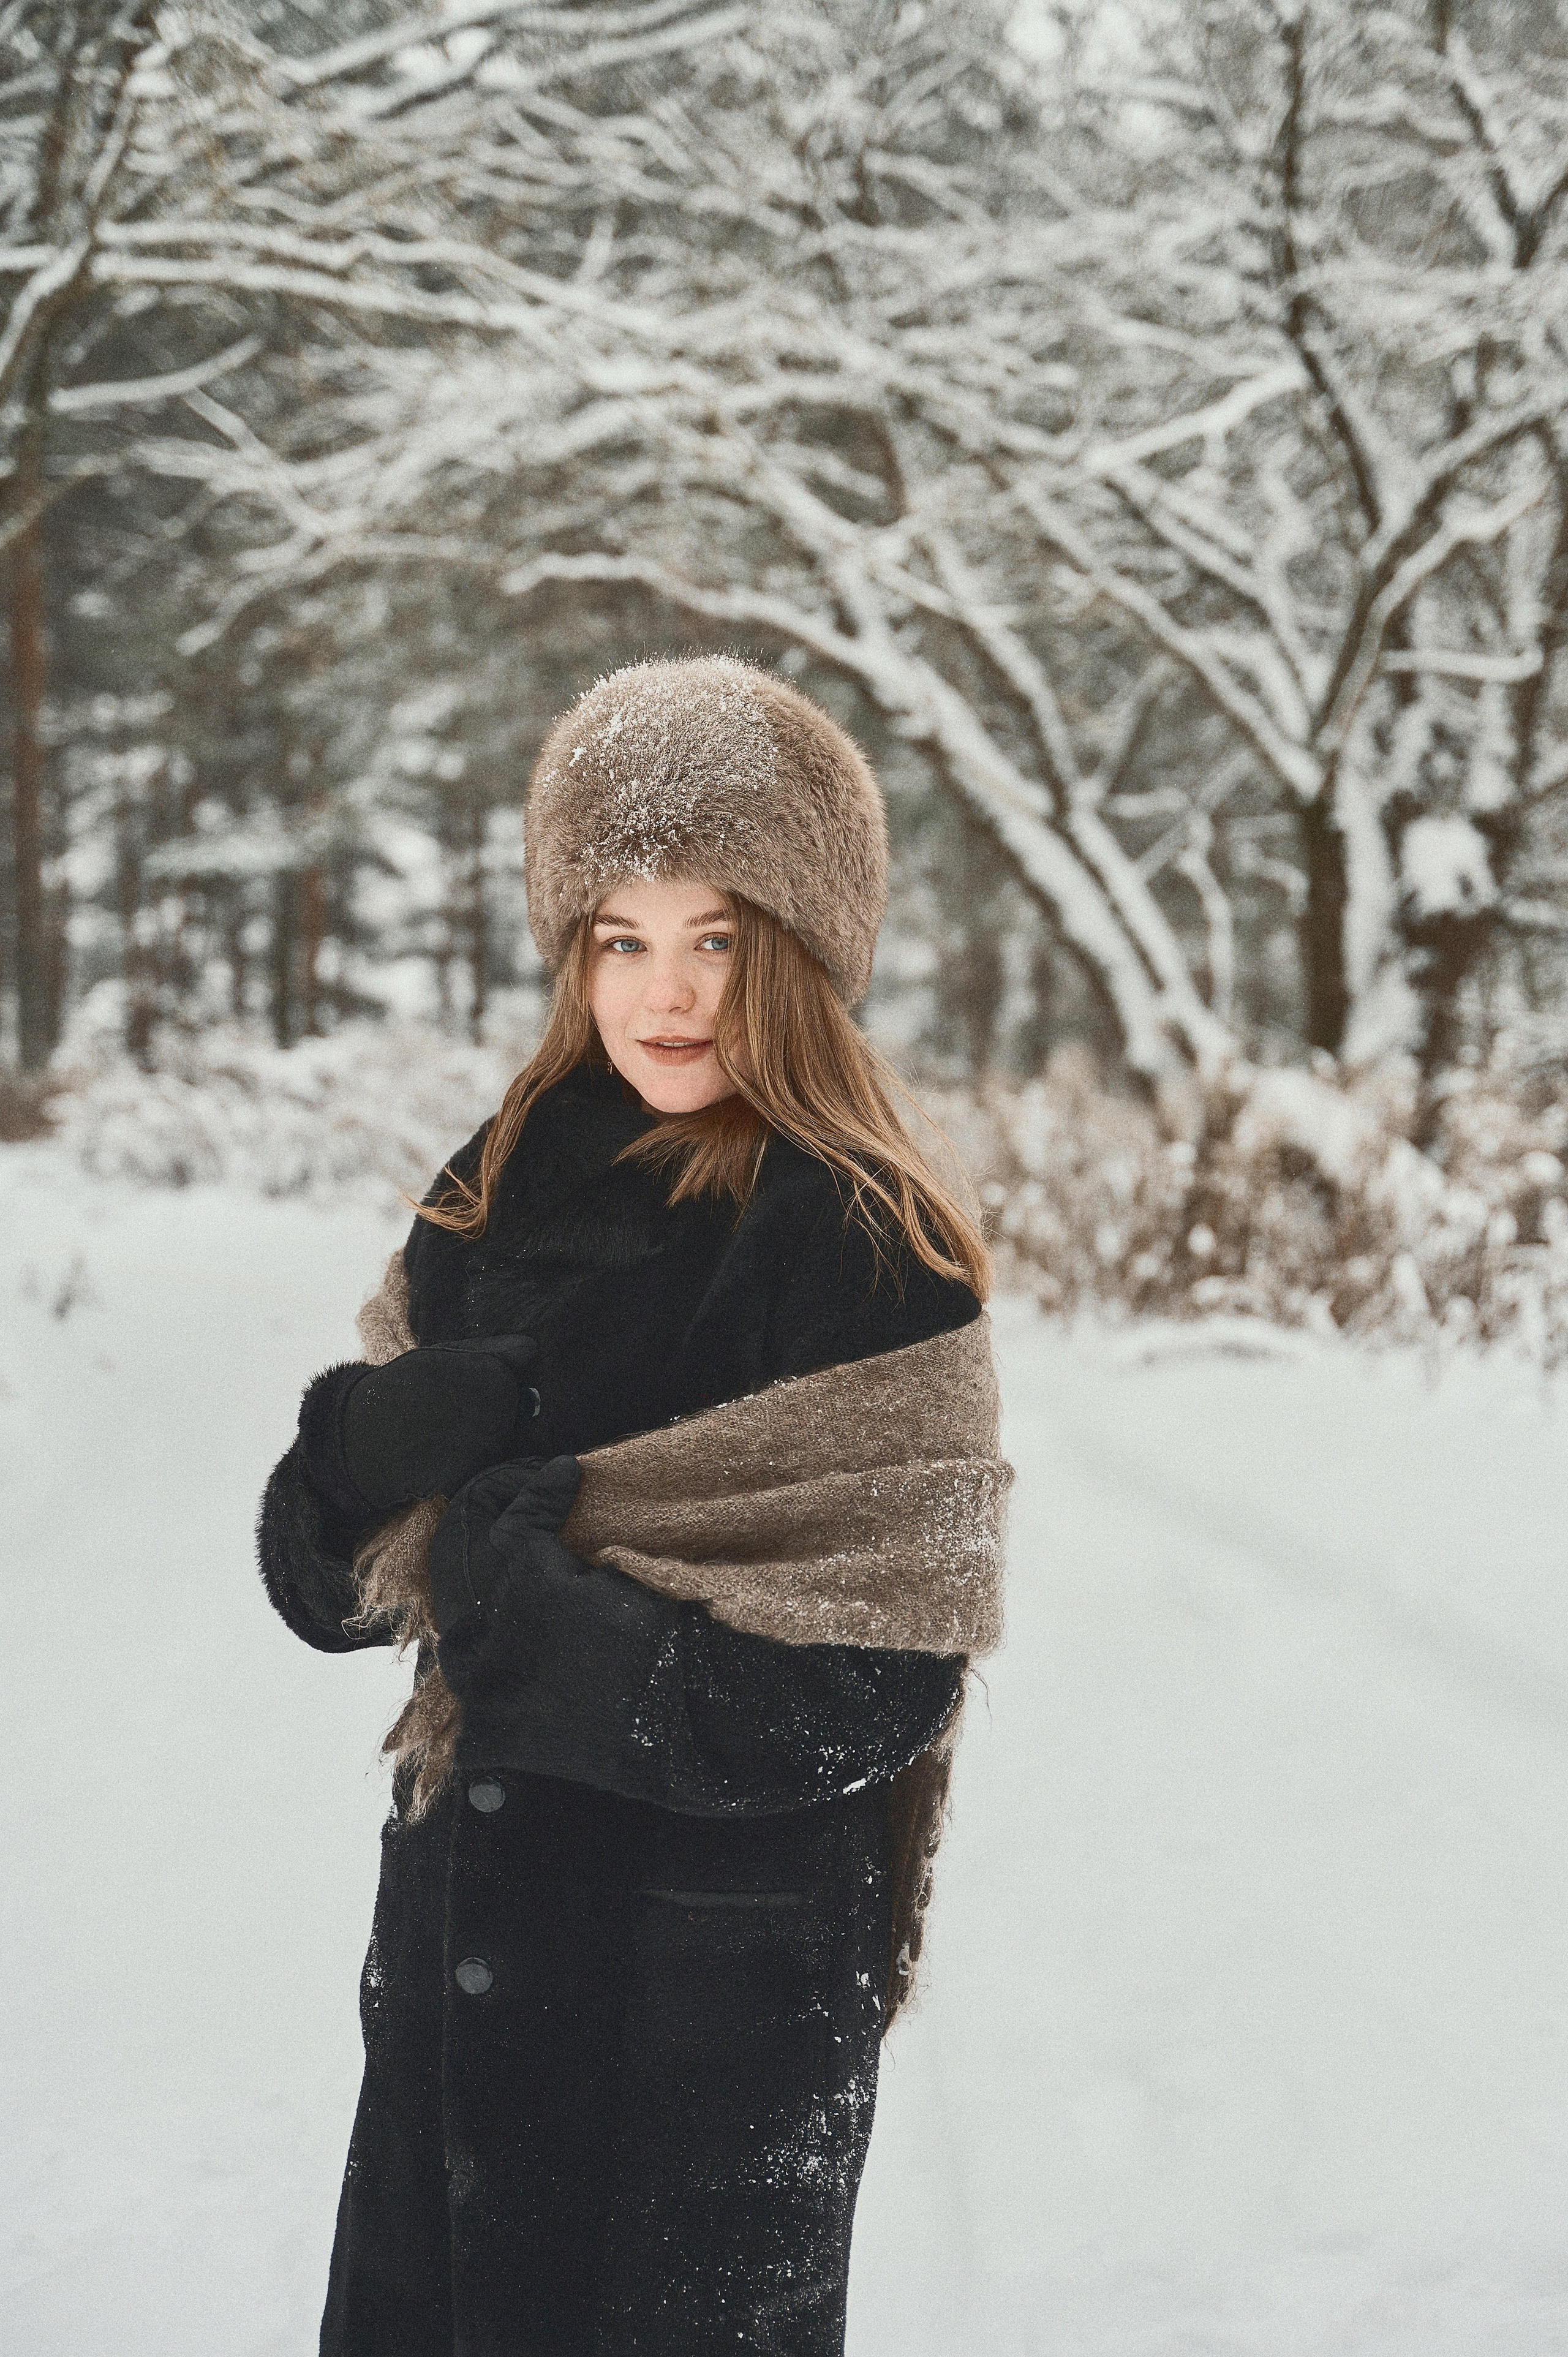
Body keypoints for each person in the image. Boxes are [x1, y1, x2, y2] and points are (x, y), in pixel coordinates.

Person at [257, 654, 1009, 2357]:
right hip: (473, 1963)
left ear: (801, 947)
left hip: (712, 2011)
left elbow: (882, 1677)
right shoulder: (496, 1188)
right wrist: (362, 1457)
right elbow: (335, 1589)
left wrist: (566, 1637)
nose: (667, 993)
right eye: (623, 937)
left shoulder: (870, 1243)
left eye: (719, 938)